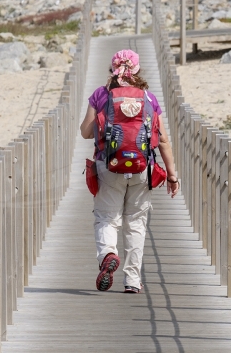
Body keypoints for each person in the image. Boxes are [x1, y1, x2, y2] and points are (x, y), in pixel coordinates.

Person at [79, 49, 179, 294]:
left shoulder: (101, 95)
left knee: (106, 218)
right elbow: (163, 140)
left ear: (112, 69)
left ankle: (108, 255)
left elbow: (85, 132)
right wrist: (172, 175)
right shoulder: (149, 98)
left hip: (108, 167)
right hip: (141, 169)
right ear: (137, 70)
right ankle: (132, 280)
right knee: (135, 223)